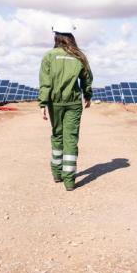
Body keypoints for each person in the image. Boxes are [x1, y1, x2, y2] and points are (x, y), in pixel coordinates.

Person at [38, 20, 93, 191]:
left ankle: (57, 174)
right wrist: (87, 95)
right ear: (71, 36)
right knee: (71, 138)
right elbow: (87, 78)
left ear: (56, 36)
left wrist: (43, 103)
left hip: (55, 102)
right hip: (73, 102)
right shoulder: (79, 56)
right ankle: (70, 181)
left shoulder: (48, 56)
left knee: (57, 135)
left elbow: (45, 82)